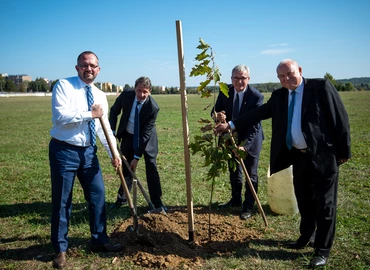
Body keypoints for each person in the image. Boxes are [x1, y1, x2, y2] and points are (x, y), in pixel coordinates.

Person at [215, 59, 350, 268]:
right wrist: (231, 124)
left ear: (300, 71)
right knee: (304, 199)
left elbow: (340, 118)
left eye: (290, 74)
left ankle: (322, 250)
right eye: (281, 77)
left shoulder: (320, 87)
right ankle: (305, 237)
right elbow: (258, 114)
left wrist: (344, 152)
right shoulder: (279, 95)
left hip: (323, 157)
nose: (286, 79)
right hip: (298, 157)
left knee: (325, 205)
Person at [49, 51, 124, 269]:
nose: (88, 68)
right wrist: (89, 114)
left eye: (92, 65)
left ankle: (99, 240)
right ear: (77, 67)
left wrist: (114, 154)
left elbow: (104, 128)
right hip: (64, 151)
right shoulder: (64, 86)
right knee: (63, 201)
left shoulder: (100, 94)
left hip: (89, 153)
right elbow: (60, 117)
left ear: (98, 69)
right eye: (84, 65)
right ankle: (60, 248)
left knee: (98, 195)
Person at [213, 64, 264, 220]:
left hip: (250, 139)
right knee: (234, 170)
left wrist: (244, 146)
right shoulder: (225, 91)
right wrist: (218, 116)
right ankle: (235, 199)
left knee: (251, 173)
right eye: (236, 78)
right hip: (230, 138)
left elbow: (255, 125)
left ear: (248, 79)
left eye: (243, 78)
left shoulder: (256, 97)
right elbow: (214, 111)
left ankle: (248, 206)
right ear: (231, 78)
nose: (239, 82)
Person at [109, 76, 164, 210]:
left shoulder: (153, 107)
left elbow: (145, 134)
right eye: (139, 91)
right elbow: (114, 111)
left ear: (150, 91)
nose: (141, 95)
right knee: (127, 167)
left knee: (151, 167)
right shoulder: (126, 96)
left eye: (145, 92)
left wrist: (137, 157)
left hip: (146, 140)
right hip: (128, 135)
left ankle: (157, 202)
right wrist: (112, 131)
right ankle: (122, 198)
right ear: (135, 89)